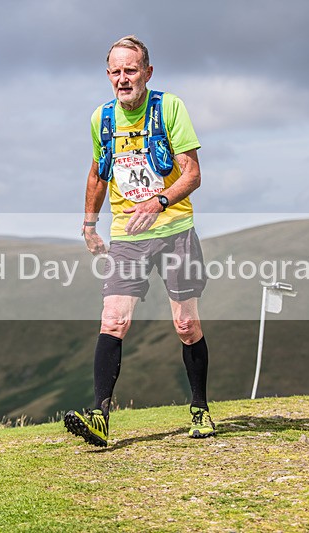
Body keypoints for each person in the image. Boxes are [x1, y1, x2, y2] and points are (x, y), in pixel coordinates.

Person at [64, 36, 215, 447]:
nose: (122, 79)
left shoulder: (169, 108)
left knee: (186, 325)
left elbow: (192, 173)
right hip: (127, 236)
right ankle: (100, 416)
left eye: (130, 70)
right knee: (114, 319)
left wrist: (159, 200)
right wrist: (89, 225)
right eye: (115, 71)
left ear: (148, 73)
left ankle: (199, 408)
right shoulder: (102, 119)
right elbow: (98, 173)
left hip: (174, 230)